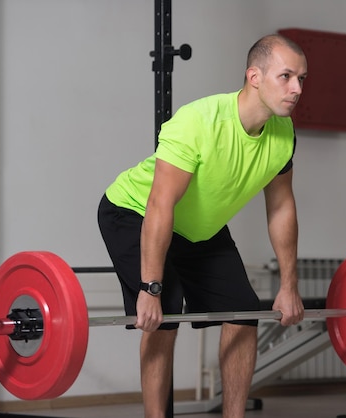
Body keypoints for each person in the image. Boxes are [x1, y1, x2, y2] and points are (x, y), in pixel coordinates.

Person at [98, 33, 307, 418]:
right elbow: (160, 205)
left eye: (301, 79)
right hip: (134, 212)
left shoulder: (283, 133)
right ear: (254, 77)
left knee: (244, 311)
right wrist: (149, 287)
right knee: (166, 311)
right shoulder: (198, 122)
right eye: (286, 76)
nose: (296, 89)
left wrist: (289, 287)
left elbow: (281, 208)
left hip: (197, 229)